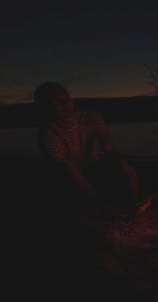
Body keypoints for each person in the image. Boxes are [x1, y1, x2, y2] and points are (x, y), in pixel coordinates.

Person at [33, 81, 140, 219]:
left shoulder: (90, 117)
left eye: (67, 98)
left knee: (127, 172)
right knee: (75, 193)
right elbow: (74, 173)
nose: (67, 104)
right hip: (65, 178)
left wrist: (129, 177)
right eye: (59, 102)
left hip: (92, 167)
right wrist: (101, 204)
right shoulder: (49, 135)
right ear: (46, 109)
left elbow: (110, 149)